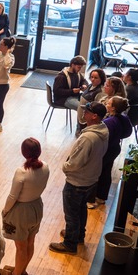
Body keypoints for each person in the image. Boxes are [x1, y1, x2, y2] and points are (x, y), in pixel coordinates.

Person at [49, 102, 109, 254]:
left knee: (72, 213)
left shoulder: (88, 138)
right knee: (81, 209)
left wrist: (64, 166)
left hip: (77, 180)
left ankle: (70, 244)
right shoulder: (103, 130)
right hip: (91, 178)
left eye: (87, 111)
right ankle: (78, 235)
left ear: (94, 116)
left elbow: (76, 162)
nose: (83, 113)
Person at [0, 138, 50, 275]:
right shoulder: (46, 167)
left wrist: (5, 211)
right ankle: (22, 270)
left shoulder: (22, 172)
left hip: (21, 211)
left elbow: (12, 196)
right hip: (37, 206)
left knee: (21, 246)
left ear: (23, 152)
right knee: (30, 242)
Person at [88, 96, 133, 209]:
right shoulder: (124, 118)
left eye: (108, 103)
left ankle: (91, 200)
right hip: (114, 148)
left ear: (113, 108)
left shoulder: (109, 122)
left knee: (95, 173)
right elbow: (128, 133)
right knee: (106, 172)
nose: (106, 104)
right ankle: (102, 197)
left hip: (106, 150)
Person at [76, 68, 107, 135]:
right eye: (91, 77)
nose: (92, 79)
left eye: (96, 78)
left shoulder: (100, 92)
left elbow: (98, 109)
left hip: (88, 121)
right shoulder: (90, 85)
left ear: (101, 79)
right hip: (81, 117)